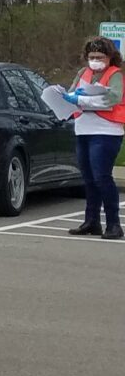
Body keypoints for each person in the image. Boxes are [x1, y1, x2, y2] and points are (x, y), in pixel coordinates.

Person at [66, 35, 124, 239]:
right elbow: (71, 93)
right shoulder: (84, 72)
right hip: (83, 129)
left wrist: (82, 99)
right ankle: (91, 221)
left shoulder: (115, 74)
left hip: (106, 131)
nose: (96, 60)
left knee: (102, 177)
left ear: (109, 57)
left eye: (100, 56)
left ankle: (114, 224)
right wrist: (70, 98)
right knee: (89, 179)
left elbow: (113, 98)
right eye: (92, 56)